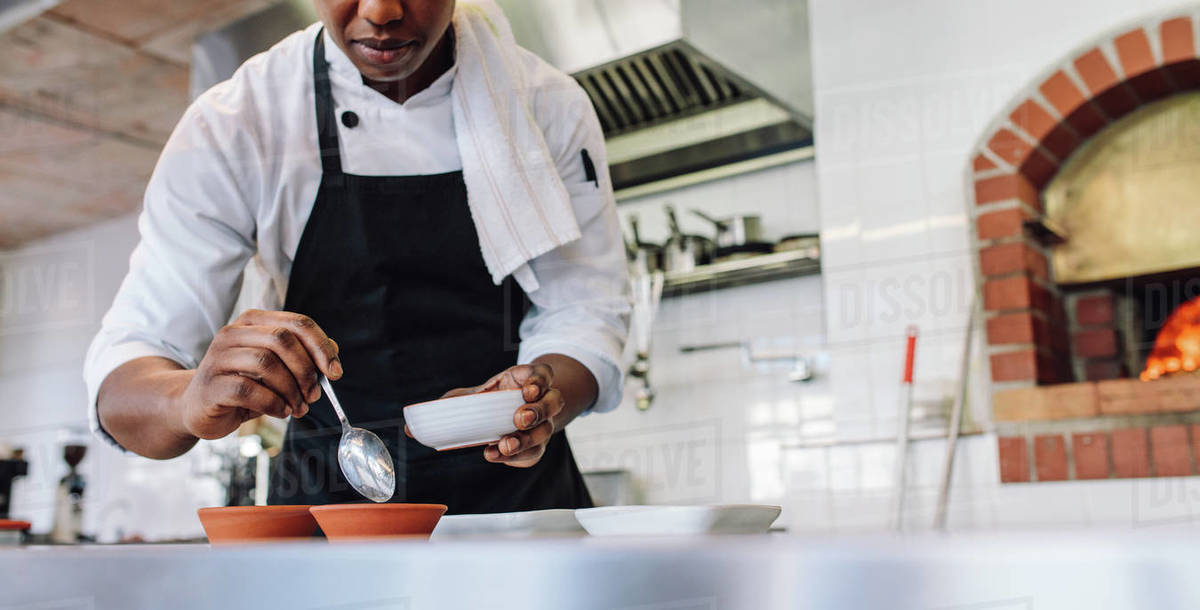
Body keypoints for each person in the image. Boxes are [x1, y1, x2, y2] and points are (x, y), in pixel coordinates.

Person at [83, 0, 629, 513]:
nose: (380, 11)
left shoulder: (546, 105)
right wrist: (186, 400)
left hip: (520, 511)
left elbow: (585, 315)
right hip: (328, 519)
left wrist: (538, 396)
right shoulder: (238, 121)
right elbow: (130, 368)